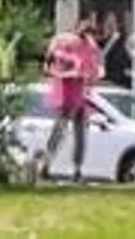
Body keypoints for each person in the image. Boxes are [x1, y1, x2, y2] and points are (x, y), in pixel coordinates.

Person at [33, 13, 106, 182]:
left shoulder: (90, 46)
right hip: (68, 92)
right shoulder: (64, 41)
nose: (89, 29)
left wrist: (89, 75)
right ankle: (48, 164)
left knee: (78, 133)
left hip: (81, 94)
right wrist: (67, 73)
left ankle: (75, 169)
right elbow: (49, 65)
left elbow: (96, 70)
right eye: (87, 24)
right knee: (61, 130)